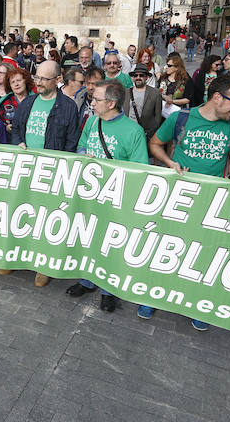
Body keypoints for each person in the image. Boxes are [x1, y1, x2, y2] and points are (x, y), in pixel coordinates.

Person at [143, 74, 230, 330]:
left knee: (203, 252)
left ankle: (197, 302)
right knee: (167, 245)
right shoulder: (181, 118)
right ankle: (153, 295)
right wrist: (170, 163)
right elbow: (155, 144)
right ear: (216, 97)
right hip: (177, 197)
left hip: (213, 201)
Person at [67, 79, 148, 311]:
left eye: (96, 99)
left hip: (116, 197)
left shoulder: (134, 131)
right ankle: (86, 280)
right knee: (88, 238)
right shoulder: (92, 122)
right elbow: (81, 146)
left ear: (111, 103)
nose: (92, 102)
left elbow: (139, 169)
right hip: (90, 194)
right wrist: (85, 154)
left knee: (110, 244)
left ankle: (108, 290)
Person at [11, 60, 81, 287]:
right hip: (26, 168)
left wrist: (61, 168)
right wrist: (19, 142)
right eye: (37, 77)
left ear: (58, 80)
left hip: (52, 172)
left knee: (46, 218)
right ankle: (16, 256)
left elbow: (71, 143)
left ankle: (44, 265)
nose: (38, 82)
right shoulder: (28, 102)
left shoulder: (68, 107)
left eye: (44, 79)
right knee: (22, 212)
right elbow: (17, 130)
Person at [123, 64, 162, 140]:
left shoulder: (155, 93)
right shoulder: (126, 92)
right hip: (128, 132)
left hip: (146, 134)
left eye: (141, 75)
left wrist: (151, 133)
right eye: (135, 75)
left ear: (147, 77)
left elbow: (158, 117)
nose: (138, 78)